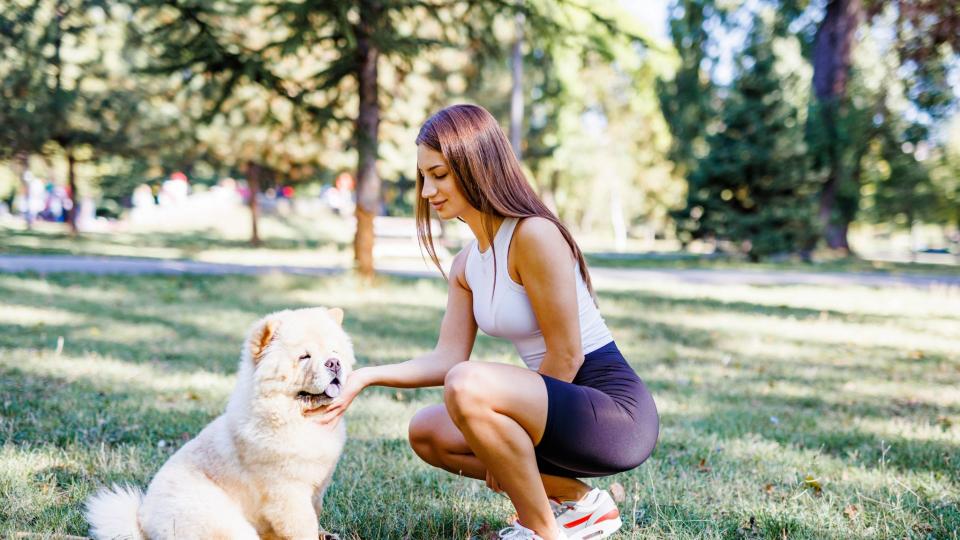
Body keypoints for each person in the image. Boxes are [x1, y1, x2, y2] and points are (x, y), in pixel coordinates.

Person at [322, 104, 659, 540]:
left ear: (475, 165)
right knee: (427, 431)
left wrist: (516, 452)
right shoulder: (467, 264)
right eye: (424, 176)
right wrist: (365, 377)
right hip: (557, 403)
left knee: (467, 384)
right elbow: (446, 358)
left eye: (440, 174)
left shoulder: (532, 234)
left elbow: (568, 353)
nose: (427, 191)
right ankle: (583, 505)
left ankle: (542, 531)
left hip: (610, 414)